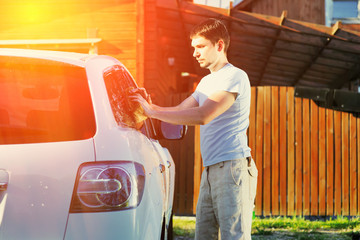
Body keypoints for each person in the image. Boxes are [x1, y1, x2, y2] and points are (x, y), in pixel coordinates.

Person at [131, 18, 258, 240]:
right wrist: (149, 106)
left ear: (219, 45)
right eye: (193, 48)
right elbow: (179, 112)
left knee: (234, 237)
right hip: (209, 171)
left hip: (232, 168)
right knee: (204, 235)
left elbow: (203, 115)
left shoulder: (234, 76)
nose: (194, 53)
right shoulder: (206, 83)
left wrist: (151, 111)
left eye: (200, 47)